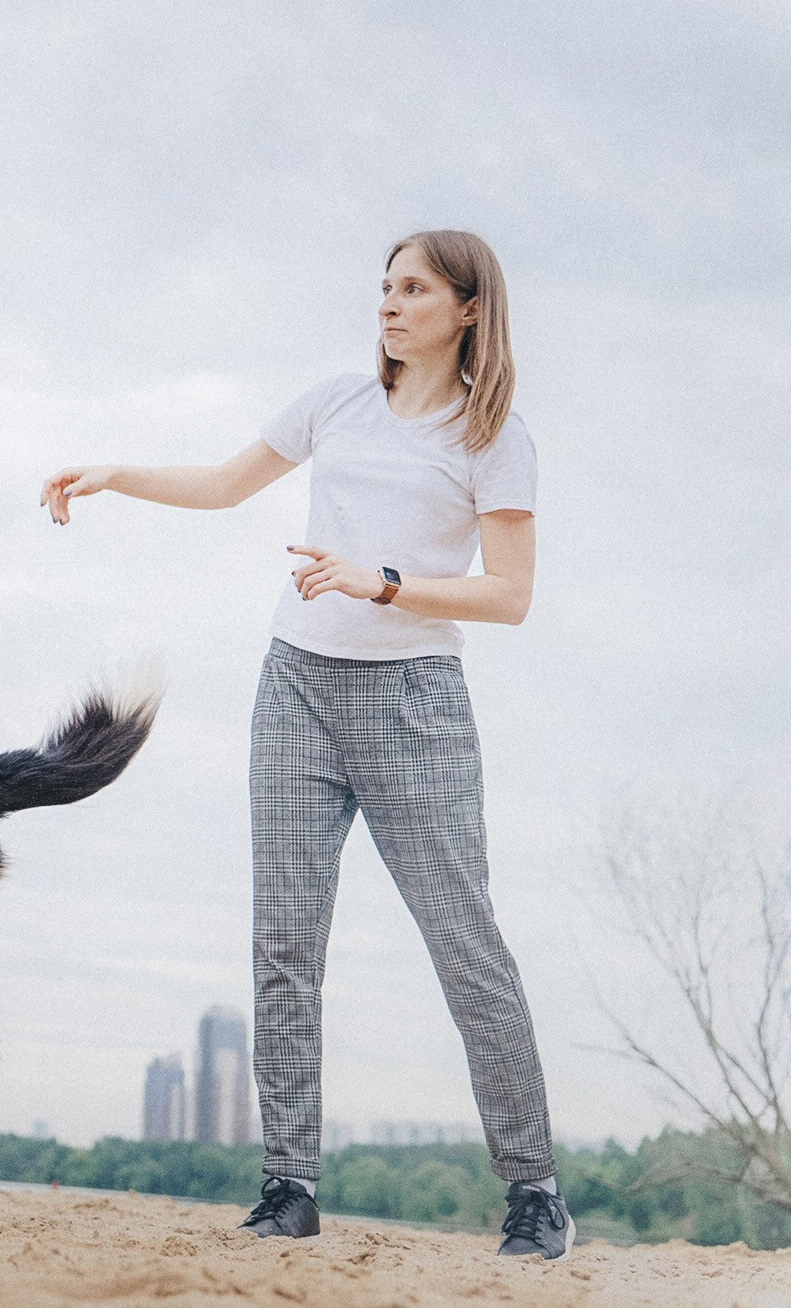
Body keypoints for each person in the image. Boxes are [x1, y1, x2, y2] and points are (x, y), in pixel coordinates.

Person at [39, 230, 573, 1260]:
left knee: (465, 946)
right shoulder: (335, 401)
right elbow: (222, 483)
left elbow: (507, 595)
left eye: (412, 287)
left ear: (465, 309)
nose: (387, 301)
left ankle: (532, 1190)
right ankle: (287, 1181)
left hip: (415, 701)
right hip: (294, 686)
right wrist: (113, 472)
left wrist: (379, 580)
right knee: (283, 940)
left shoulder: (494, 435)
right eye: (382, 285)